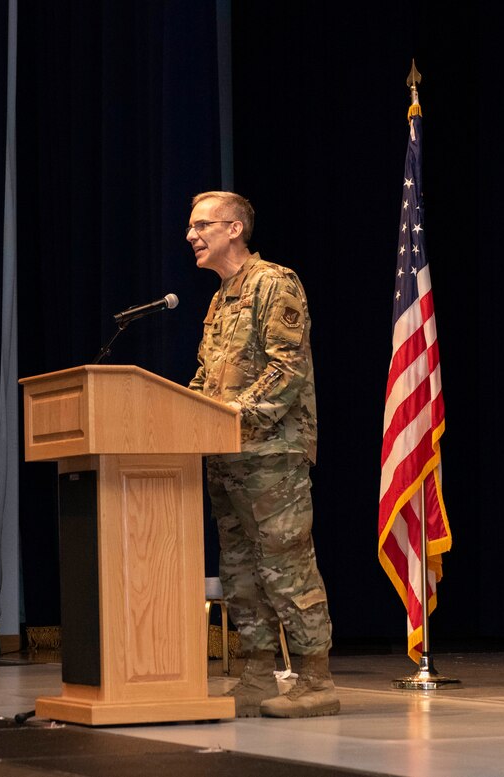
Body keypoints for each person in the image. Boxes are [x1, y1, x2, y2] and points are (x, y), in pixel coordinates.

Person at [186, 191, 338, 718]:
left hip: (272, 454)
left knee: (286, 563)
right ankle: (256, 671)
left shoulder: (275, 283)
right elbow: (208, 377)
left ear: (235, 229)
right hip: (226, 455)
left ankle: (316, 679)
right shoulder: (220, 297)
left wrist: (231, 413)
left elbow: (286, 369)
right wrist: (189, 410)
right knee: (239, 568)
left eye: (202, 225)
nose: (191, 236)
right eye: (192, 227)